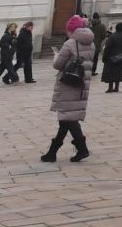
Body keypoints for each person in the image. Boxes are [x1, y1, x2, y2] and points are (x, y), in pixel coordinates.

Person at [43, 20, 93, 162]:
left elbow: (58, 65)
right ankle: (52, 152)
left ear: (71, 30)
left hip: (68, 84)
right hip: (82, 84)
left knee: (68, 118)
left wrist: (57, 57)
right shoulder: (91, 43)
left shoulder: (70, 44)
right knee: (67, 118)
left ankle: (82, 149)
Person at [100, 23, 122, 93]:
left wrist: (104, 57)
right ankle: (116, 87)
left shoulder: (112, 37)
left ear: (116, 28)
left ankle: (110, 88)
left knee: (111, 72)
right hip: (121, 57)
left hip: (112, 58)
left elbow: (107, 48)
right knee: (118, 72)